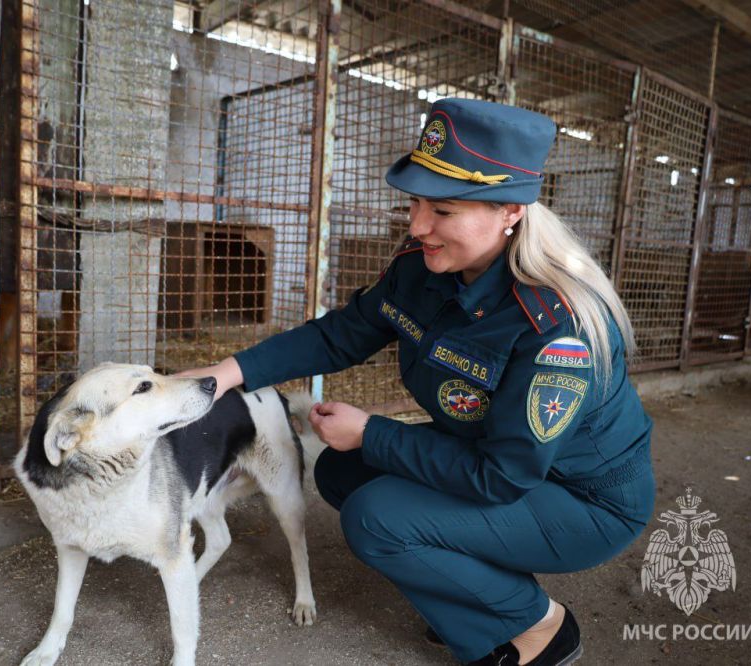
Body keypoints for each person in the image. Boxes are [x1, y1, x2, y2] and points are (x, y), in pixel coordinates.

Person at [178, 98, 656, 666]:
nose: (417, 225)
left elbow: (502, 476)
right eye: (415, 202)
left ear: (510, 211)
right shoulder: (423, 267)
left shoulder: (553, 327)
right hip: (500, 465)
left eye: (444, 210)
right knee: (341, 471)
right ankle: (474, 589)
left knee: (374, 517)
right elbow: (342, 334)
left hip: (581, 499)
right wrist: (224, 373)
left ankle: (536, 626)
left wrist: (373, 432)